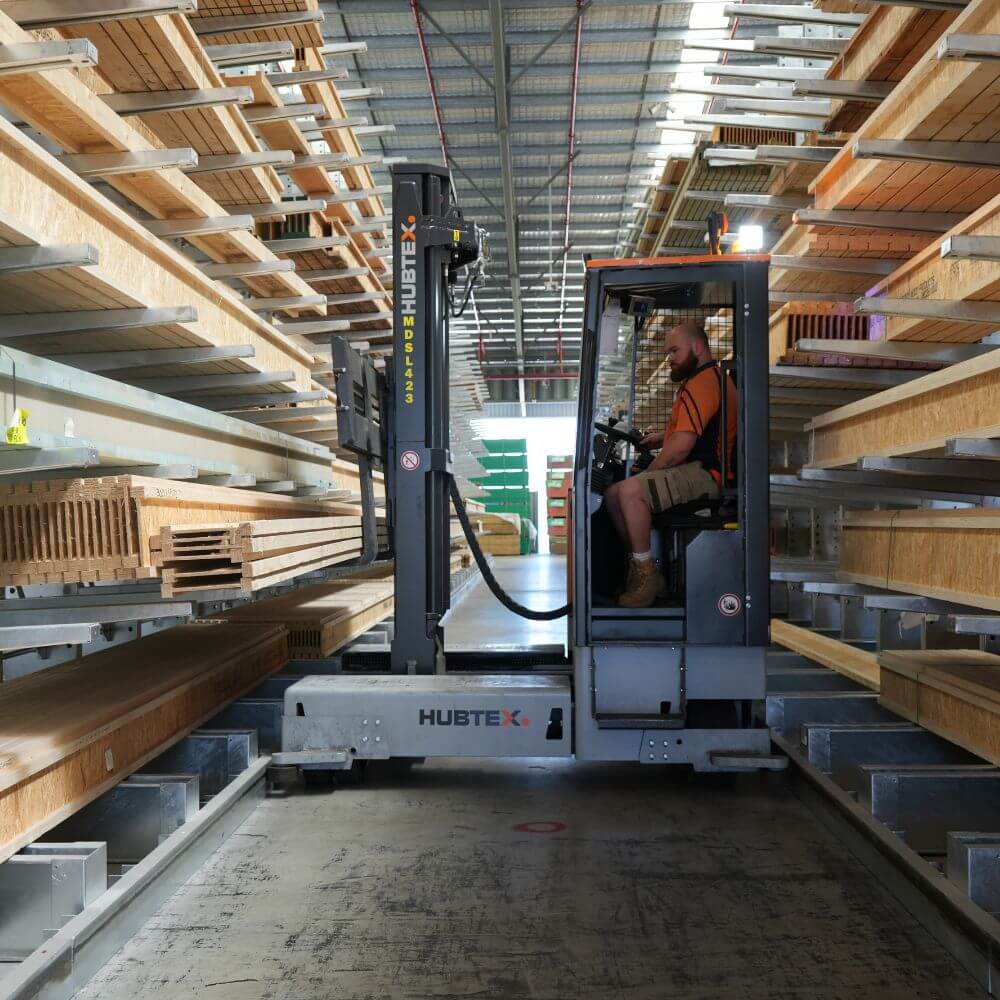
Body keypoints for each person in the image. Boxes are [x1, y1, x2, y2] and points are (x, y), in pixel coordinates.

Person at [604, 320, 737, 608]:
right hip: (696, 469)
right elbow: (696, 432)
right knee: (613, 495)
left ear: (697, 347)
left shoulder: (701, 384)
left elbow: (679, 450)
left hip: (706, 475)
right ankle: (639, 567)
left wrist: (649, 472)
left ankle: (647, 575)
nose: (670, 359)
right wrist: (661, 438)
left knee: (629, 492)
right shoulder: (708, 379)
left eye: (674, 351)